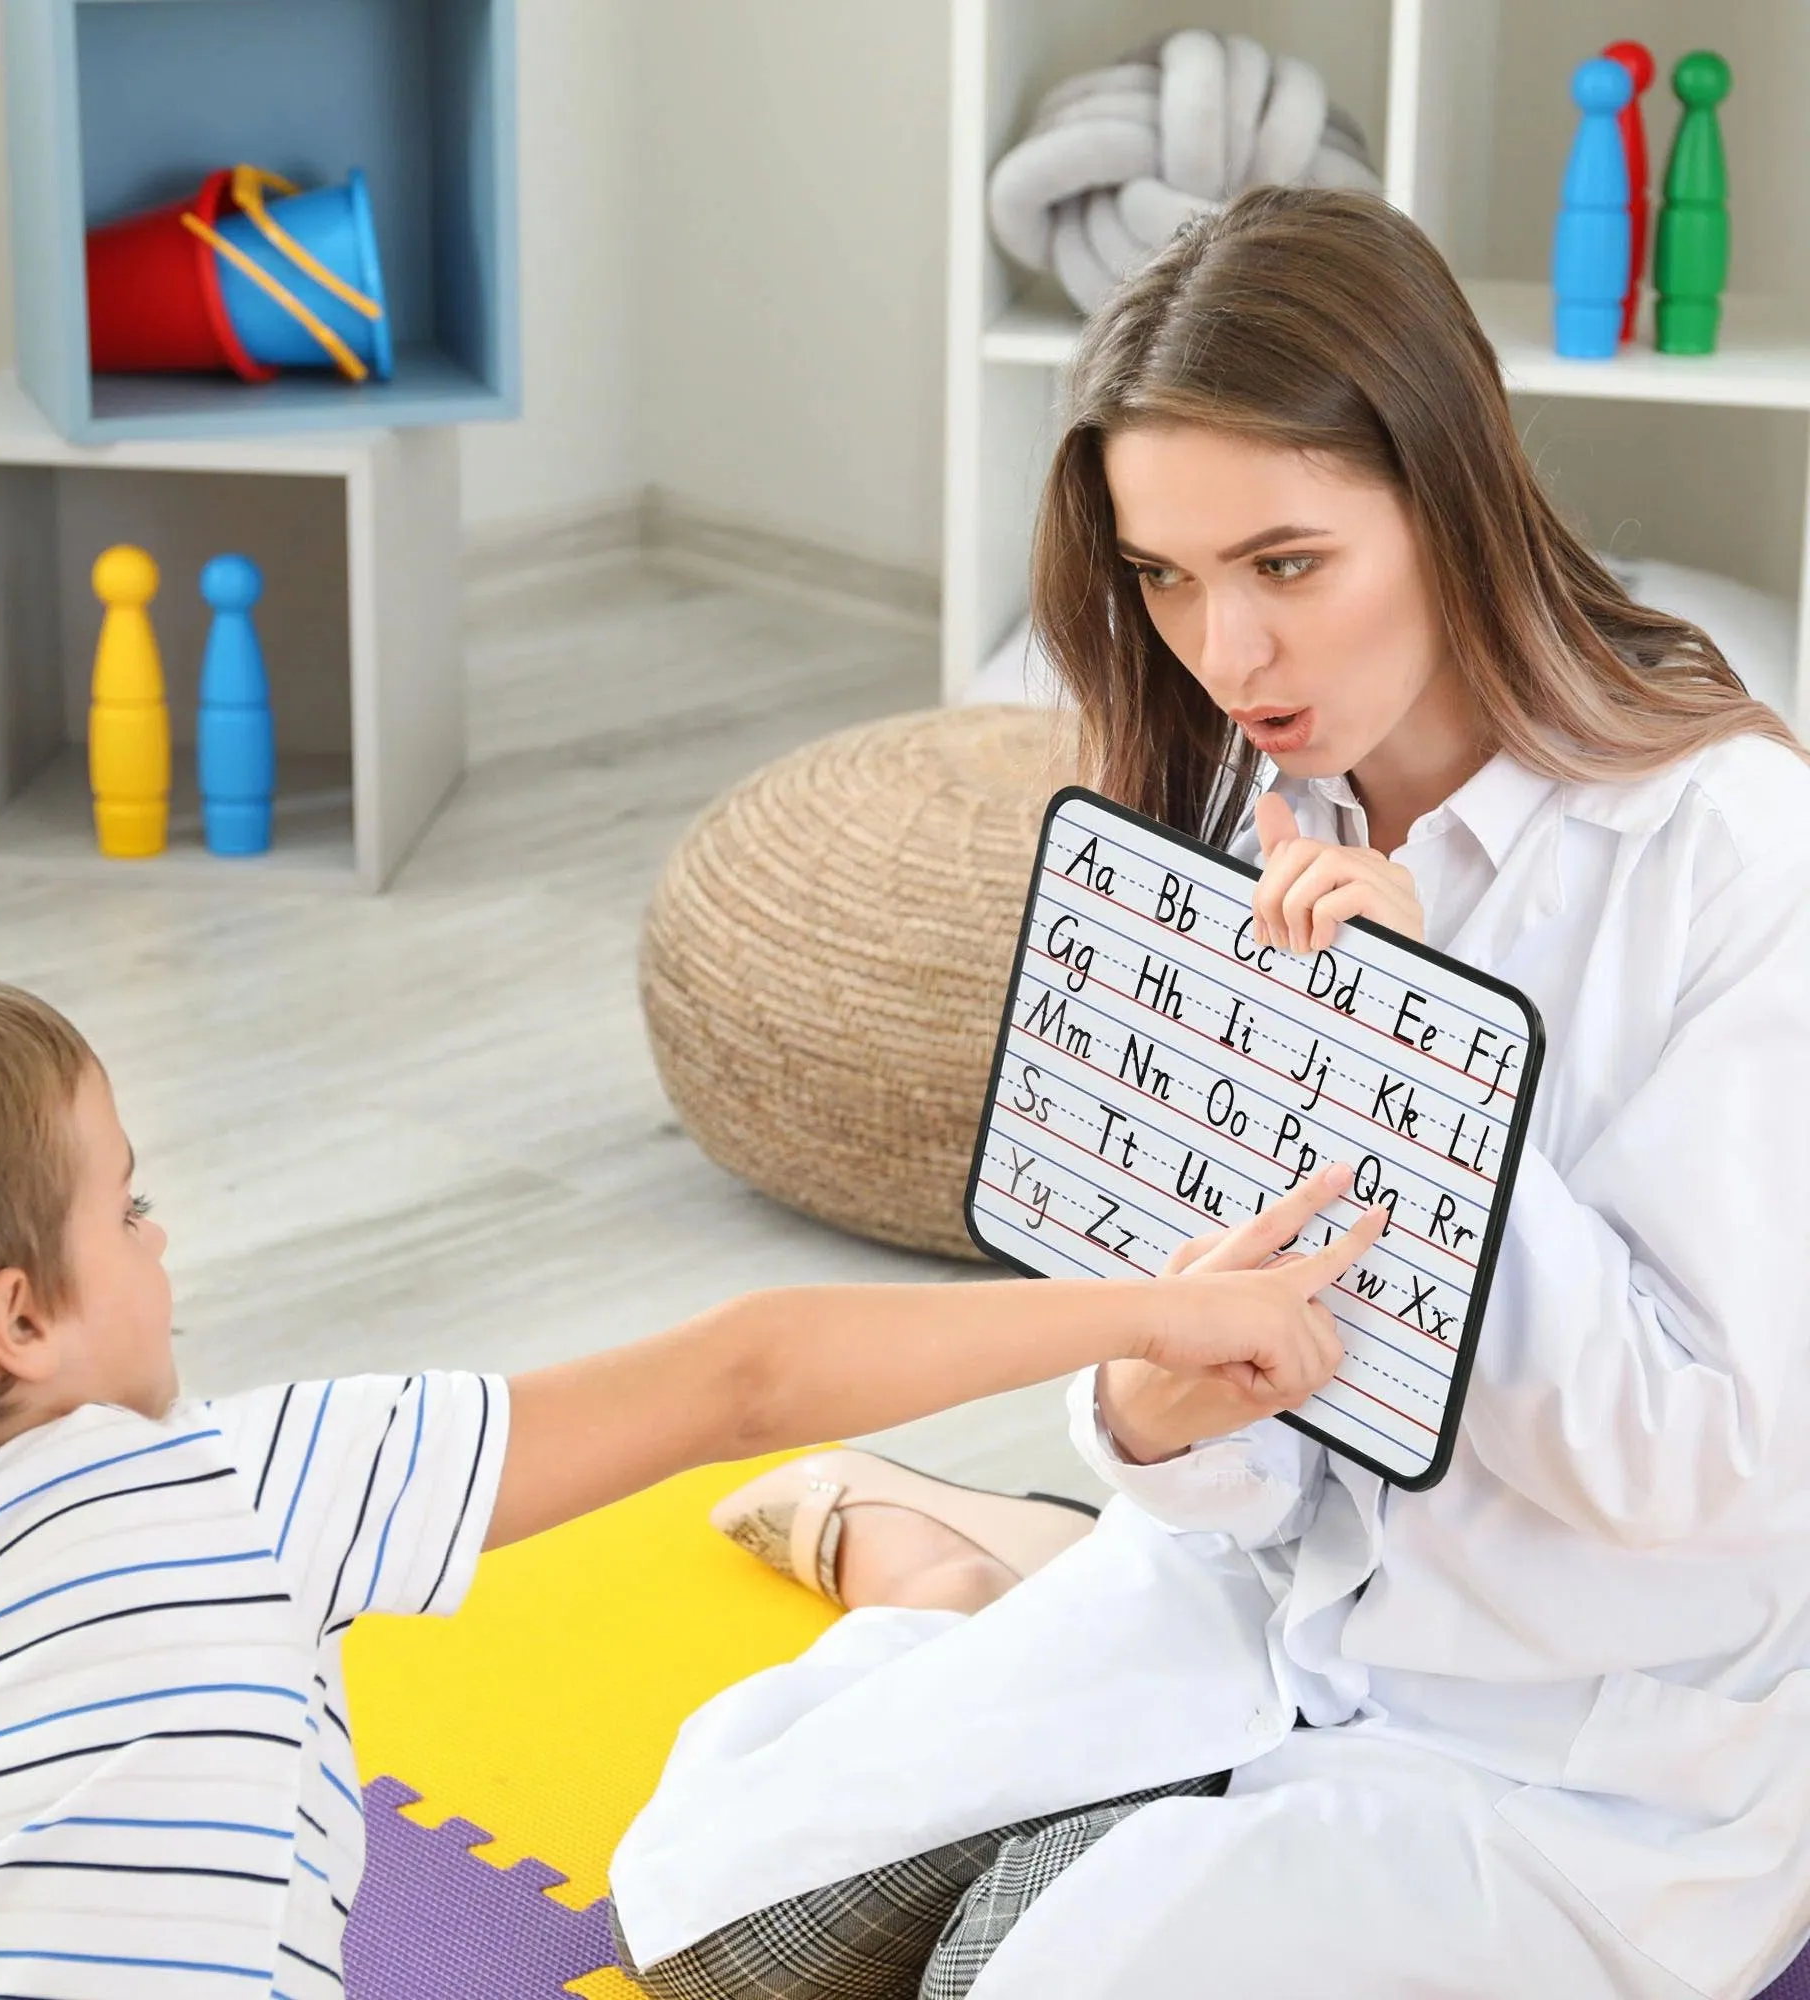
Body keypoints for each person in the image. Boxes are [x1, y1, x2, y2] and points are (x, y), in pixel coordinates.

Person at [607, 186, 1810, 2000]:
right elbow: (1209, 1388)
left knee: (1014, 1987)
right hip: (1253, 1606)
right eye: (1164, 579)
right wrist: (1156, 1416)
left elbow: (1715, 1470)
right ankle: (962, 1577)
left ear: (1451, 496)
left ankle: (996, 1605)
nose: (1224, 657)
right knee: (706, 1915)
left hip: (1571, 1736)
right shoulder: (1243, 810)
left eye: (1285, 563)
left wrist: (1430, 1058)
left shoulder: (1732, 855)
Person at [0, 966, 1379, 1996]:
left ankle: (938, 1588)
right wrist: (1161, 1310)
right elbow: (743, 1372)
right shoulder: (226, 1491)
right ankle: (945, 1586)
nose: (160, 1238)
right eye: (127, 1209)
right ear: (20, 1320)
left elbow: (753, 1375)